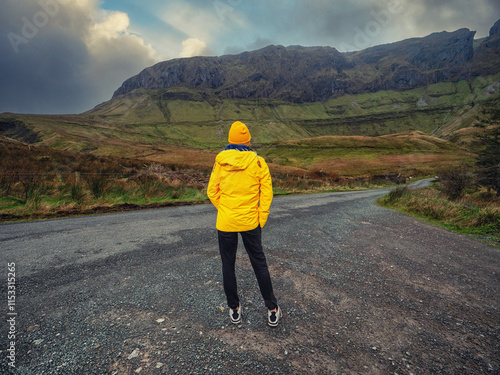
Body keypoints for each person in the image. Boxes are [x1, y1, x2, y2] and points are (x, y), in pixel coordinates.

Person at [207, 121, 282, 327]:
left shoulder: (220, 162)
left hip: (226, 222)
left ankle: (234, 309)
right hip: (251, 221)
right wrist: (261, 216)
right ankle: (272, 309)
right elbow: (267, 192)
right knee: (259, 263)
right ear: (248, 141)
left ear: (230, 141)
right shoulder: (258, 162)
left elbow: (211, 191)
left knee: (228, 265)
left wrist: (225, 209)